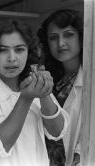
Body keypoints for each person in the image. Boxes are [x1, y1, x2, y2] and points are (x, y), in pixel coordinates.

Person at [0, 20, 69, 166]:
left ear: (29, 52)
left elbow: (57, 132)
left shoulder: (33, 83)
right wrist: (25, 99)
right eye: (3, 50)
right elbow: (0, 145)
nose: (12, 58)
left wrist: (44, 93)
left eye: (19, 49)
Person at [37, 9, 83, 166]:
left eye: (68, 34)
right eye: (53, 38)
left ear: (81, 37)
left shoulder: (89, 80)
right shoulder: (47, 76)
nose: (61, 43)